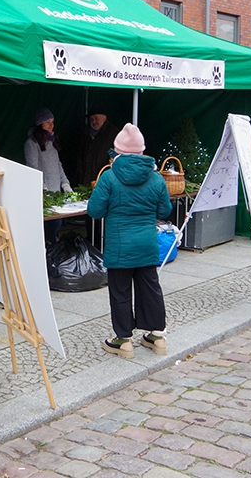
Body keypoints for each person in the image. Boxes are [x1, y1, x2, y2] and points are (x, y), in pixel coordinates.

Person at [87, 124, 173, 359]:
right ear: (142, 151)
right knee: (150, 288)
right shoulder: (155, 178)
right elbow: (165, 209)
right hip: (147, 243)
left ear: (118, 151)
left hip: (119, 246)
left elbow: (94, 210)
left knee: (120, 291)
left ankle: (123, 341)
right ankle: (157, 336)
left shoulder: (109, 177)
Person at [24, 108, 72, 246]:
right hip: (43, 196)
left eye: (52, 122)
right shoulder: (31, 144)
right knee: (49, 228)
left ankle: (51, 252)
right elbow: (32, 168)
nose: (51, 125)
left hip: (56, 194)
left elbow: (58, 165)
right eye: (47, 122)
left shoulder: (52, 142)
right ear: (40, 124)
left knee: (56, 225)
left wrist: (65, 184)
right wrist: (43, 190)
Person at [77, 106, 120, 187]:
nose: (94, 122)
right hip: (85, 180)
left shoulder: (113, 134)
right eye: (91, 119)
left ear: (104, 118)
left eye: (96, 118)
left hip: (104, 181)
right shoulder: (85, 133)